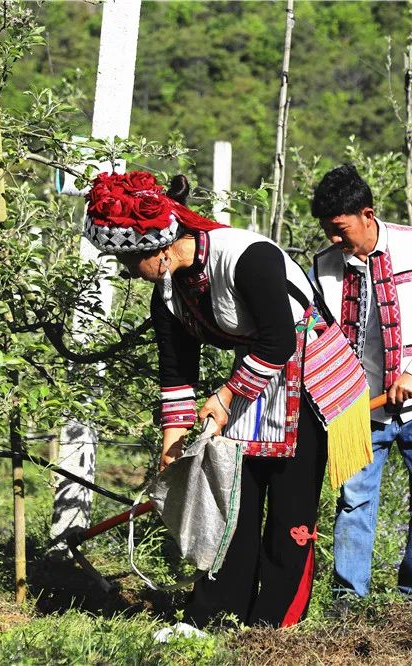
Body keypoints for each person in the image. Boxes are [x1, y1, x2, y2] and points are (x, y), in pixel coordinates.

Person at [83, 170, 370, 627]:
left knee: (289, 515)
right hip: (256, 380)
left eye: (124, 258)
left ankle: (274, 626)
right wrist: (172, 445)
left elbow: (278, 341)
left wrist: (225, 397)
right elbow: (177, 372)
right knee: (233, 504)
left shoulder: (247, 256)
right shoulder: (169, 292)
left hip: (310, 379)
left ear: (156, 248)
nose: (123, 270)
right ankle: (216, 616)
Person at [308, 164, 412, 603]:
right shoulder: (324, 268)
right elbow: (318, 343)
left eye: (340, 229)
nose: (335, 240)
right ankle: (348, 600)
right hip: (359, 411)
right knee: (354, 503)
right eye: (328, 231)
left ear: (368, 213)